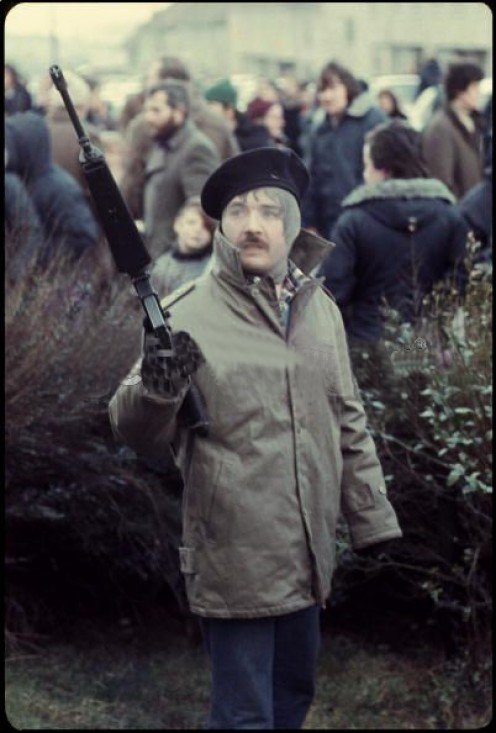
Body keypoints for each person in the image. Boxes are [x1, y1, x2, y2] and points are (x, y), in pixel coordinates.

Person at [109, 147, 402, 730]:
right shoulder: (187, 312)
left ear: (291, 224)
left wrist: (371, 517)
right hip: (234, 554)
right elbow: (131, 427)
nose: (253, 224)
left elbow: (347, 417)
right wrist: (160, 387)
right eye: (239, 211)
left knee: (293, 699)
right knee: (244, 716)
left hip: (308, 553)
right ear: (221, 227)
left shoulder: (319, 309)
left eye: (269, 210)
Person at [318, 120, 468, 344]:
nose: (365, 174)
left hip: (367, 345)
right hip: (429, 344)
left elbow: (332, 292)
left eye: (367, 166)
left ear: (384, 170)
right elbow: (462, 282)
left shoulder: (353, 222)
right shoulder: (450, 217)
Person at [119, 56, 239, 220]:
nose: (146, 84)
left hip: (186, 229)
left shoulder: (152, 128)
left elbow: (204, 206)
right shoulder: (215, 122)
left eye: (151, 78)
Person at [301, 60, 387, 239]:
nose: (327, 96)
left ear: (347, 87)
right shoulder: (319, 129)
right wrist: (308, 222)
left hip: (368, 220)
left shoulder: (372, 120)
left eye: (333, 88)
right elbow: (311, 178)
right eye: (322, 90)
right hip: (329, 225)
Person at [5, 111, 99, 270]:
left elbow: (84, 236)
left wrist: (43, 256)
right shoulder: (18, 181)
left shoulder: (61, 187)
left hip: (61, 272)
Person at [140, 80, 220, 258]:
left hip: (181, 261)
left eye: (156, 110)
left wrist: (180, 253)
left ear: (179, 112)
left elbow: (203, 214)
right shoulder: (162, 143)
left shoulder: (196, 149)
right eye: (147, 110)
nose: (148, 118)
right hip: (159, 258)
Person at [422, 62, 485, 199]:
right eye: (474, 87)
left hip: (476, 207)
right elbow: (441, 182)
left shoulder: (477, 123)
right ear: (459, 91)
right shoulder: (440, 128)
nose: (479, 93)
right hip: (459, 208)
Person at [43, 71, 103, 200]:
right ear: (82, 105)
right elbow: (100, 187)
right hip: (78, 206)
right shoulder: (88, 136)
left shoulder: (38, 133)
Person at [152, 200, 215, 298]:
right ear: (178, 224)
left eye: (206, 226)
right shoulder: (161, 268)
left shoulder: (214, 268)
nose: (198, 230)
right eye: (191, 223)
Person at [204, 78, 274, 151]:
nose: (207, 110)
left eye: (211, 105)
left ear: (228, 110)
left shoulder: (256, 133)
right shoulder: (208, 130)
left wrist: (227, 134)